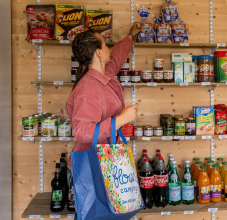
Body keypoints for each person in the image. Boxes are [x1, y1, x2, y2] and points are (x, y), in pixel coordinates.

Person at [66, 23, 141, 219]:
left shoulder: (103, 75)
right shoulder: (87, 89)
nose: (109, 47)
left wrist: (131, 36)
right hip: (94, 165)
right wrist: (121, 119)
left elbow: (117, 57)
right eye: (105, 45)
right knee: (94, 214)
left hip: (107, 161)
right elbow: (82, 132)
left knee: (107, 213)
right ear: (99, 53)